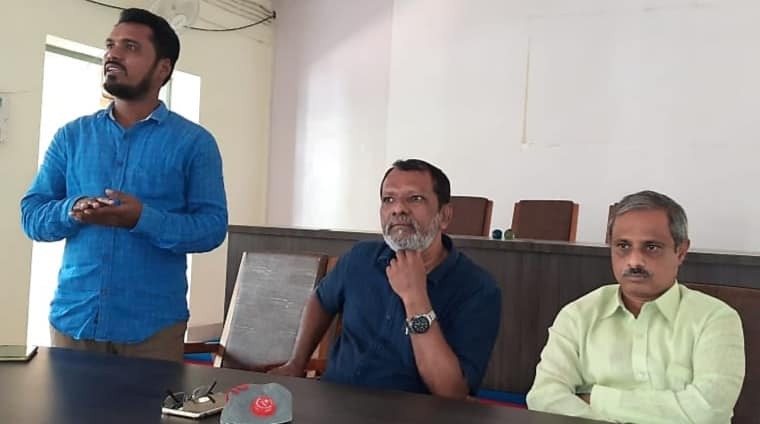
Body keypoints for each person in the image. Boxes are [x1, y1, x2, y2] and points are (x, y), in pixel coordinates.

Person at [20, 8, 228, 362]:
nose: (112, 54)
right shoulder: (72, 136)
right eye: (110, 45)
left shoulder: (194, 143)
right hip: (74, 324)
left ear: (162, 68)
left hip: (152, 332)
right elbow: (32, 215)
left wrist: (142, 219)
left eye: (130, 47)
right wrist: (72, 209)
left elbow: (211, 228)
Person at [270, 159, 501, 399]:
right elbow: (321, 300)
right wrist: (297, 362)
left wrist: (415, 298)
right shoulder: (360, 258)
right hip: (334, 402)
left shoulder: (478, 289)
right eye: (388, 199)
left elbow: (451, 393)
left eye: (415, 198)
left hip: (410, 413)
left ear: (444, 215)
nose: (398, 209)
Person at [526, 190, 745, 423]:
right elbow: (544, 397)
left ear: (681, 252)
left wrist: (596, 398)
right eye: (623, 246)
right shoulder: (578, 315)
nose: (634, 261)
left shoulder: (715, 318)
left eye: (651, 247)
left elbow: (708, 412)